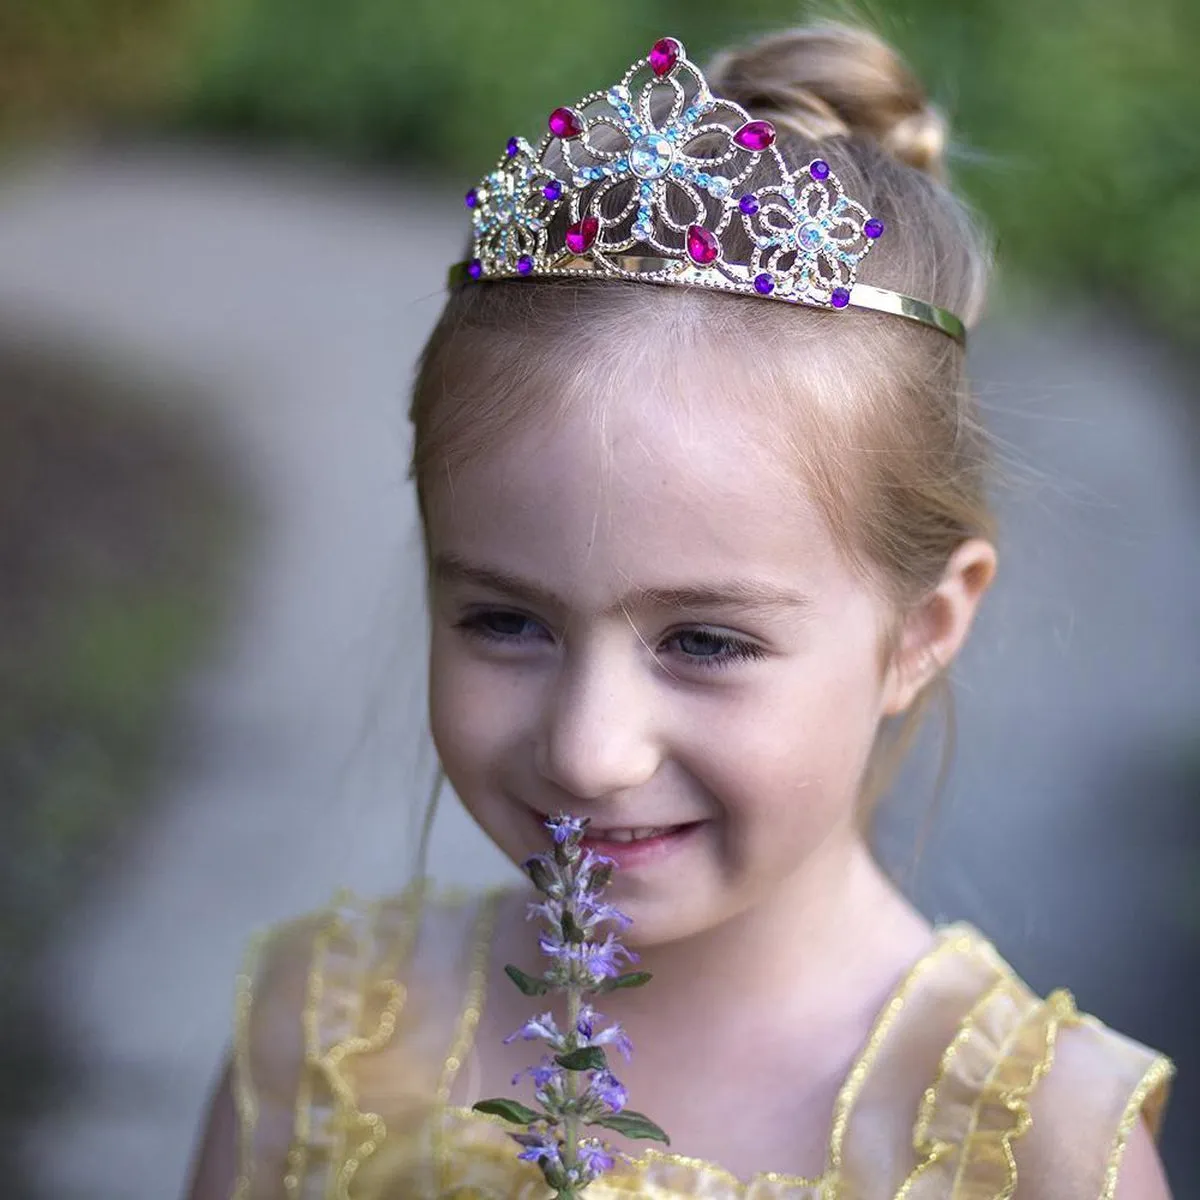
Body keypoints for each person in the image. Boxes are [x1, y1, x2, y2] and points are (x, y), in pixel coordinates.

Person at [185, 19, 1174, 1199]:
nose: (590, 751)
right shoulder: (324, 1039)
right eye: (507, 621)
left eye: (706, 640)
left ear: (921, 630)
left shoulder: (1036, 1150)